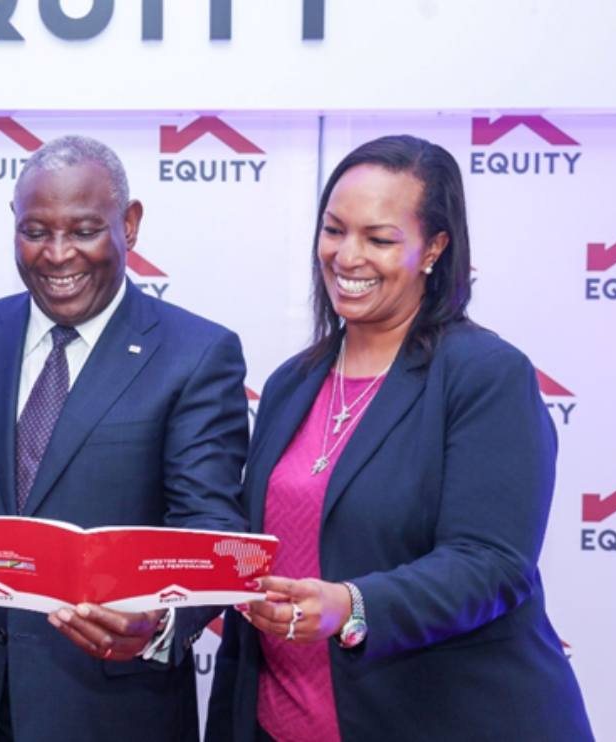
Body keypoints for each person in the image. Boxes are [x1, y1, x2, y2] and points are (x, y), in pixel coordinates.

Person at [204, 135, 593, 741]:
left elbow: (490, 563)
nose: (346, 256)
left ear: (434, 248)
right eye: (334, 230)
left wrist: (350, 605)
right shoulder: (292, 382)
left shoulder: (485, 375)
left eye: (379, 239)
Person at [0, 135, 250, 742]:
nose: (57, 254)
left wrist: (159, 623)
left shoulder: (197, 354)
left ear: (130, 224)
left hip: (118, 715)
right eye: (36, 231)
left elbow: (209, 527)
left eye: (84, 230)